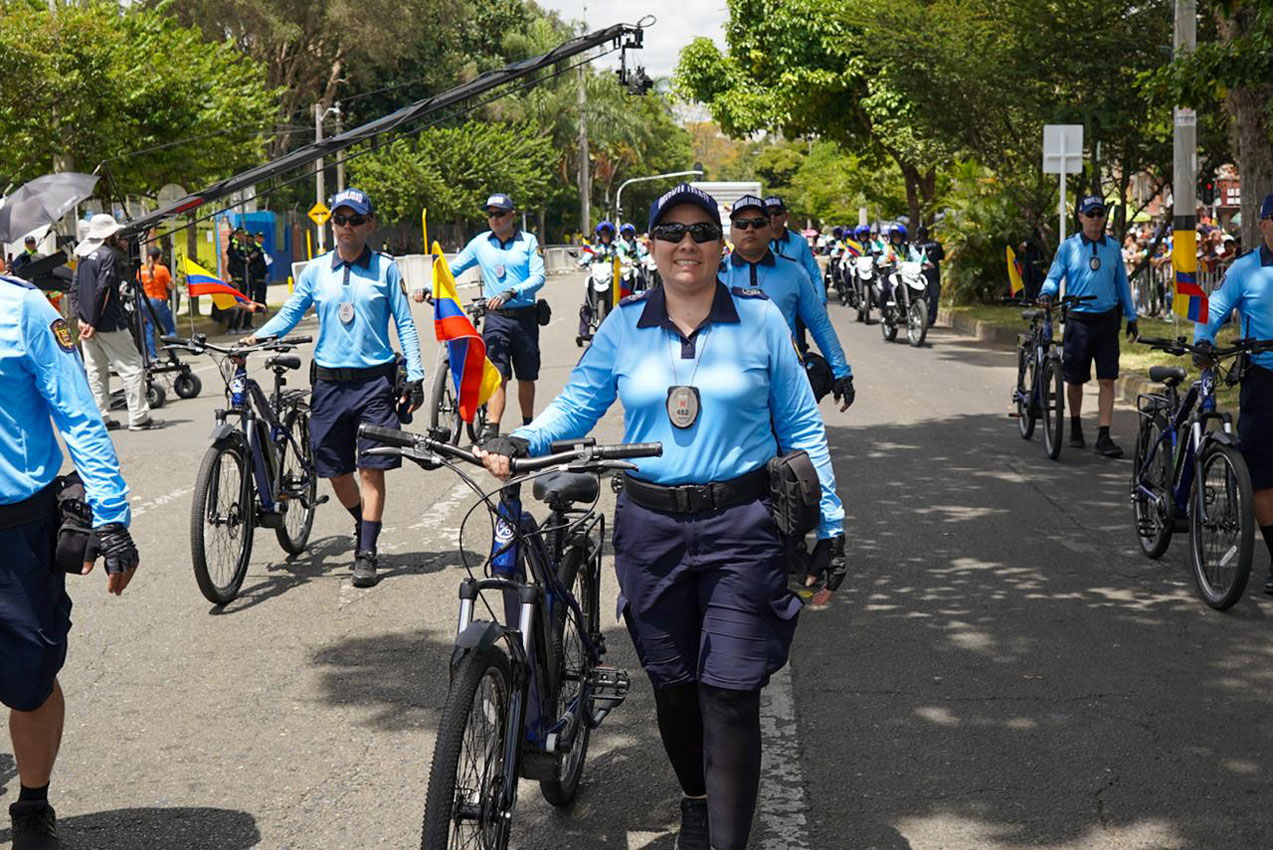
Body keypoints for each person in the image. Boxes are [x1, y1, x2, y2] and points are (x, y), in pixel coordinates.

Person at [478, 184, 846, 850]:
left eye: (702, 232)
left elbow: (801, 427)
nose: (687, 245)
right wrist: (522, 438)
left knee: (730, 692)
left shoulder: (760, 321)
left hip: (744, 526)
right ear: (650, 245)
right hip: (650, 530)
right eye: (671, 233)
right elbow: (574, 408)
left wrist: (831, 525)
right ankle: (696, 802)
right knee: (674, 688)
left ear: (719, 244)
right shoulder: (623, 324)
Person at [1, 272, 140, 850]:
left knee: (29, 680)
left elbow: (77, 412)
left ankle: (33, 803)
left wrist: (110, 515)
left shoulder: (27, 310)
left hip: (18, 530)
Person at [246, 188, 424, 588]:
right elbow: (291, 312)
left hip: (375, 384)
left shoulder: (386, 269)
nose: (346, 227)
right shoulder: (314, 271)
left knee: (370, 469)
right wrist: (256, 339)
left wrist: (415, 374)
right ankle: (365, 524)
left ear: (370, 225)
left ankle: (367, 551)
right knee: (334, 470)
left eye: (355, 220)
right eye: (340, 220)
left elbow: (406, 325)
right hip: (329, 384)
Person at [1195, 192, 1273, 594]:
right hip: (1262, 380)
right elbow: (1213, 308)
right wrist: (1203, 340)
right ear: (1263, 225)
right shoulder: (1245, 270)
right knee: (1262, 473)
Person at [718, 195, 854, 411]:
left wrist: (842, 373)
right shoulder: (714, 275)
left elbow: (820, 324)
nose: (749, 229)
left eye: (758, 223)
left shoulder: (794, 272)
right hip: (730, 384)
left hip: (787, 381)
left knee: (796, 444)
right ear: (732, 230)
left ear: (769, 228)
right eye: (742, 224)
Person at [1038, 195, 1137, 457]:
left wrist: (1132, 316)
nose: (1095, 220)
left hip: (1107, 321)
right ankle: (1076, 426)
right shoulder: (1069, 247)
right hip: (1078, 321)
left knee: (1107, 379)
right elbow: (1054, 275)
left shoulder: (1113, 247)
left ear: (1104, 217)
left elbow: (1121, 284)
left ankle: (1104, 434)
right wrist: (1046, 293)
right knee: (1075, 379)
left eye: (1099, 214)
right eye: (1090, 214)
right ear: (1081, 217)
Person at [446, 193, 546, 441]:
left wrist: (513, 291)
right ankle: (492, 428)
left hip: (524, 317)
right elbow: (452, 269)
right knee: (498, 373)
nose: (495, 219)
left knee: (526, 375)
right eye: (490, 214)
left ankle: (527, 424)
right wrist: (429, 286)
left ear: (512, 215)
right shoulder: (480, 243)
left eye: (500, 214)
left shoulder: (529, 242)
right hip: (495, 318)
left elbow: (538, 277)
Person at [70, 214, 164, 432]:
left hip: (86, 324)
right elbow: (103, 289)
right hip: (108, 322)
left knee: (95, 371)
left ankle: (101, 416)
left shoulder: (83, 255)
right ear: (109, 235)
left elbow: (74, 289)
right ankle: (139, 417)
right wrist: (93, 321)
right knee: (132, 367)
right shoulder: (107, 255)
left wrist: (81, 319)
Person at [765, 195, 826, 303]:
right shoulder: (757, 242)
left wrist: (821, 300)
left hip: (797, 303)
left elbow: (815, 274)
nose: (773, 217)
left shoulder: (799, 242)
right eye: (768, 213)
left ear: (786, 215)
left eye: (777, 213)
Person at [137, 246, 176, 360]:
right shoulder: (162, 269)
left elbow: (139, 285)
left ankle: (153, 357)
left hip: (144, 302)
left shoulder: (141, 269)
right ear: (158, 257)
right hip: (158, 301)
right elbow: (170, 286)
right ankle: (172, 354)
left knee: (149, 329)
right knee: (170, 329)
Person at [914, 225, 945, 327]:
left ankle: (921, 317)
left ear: (918, 235)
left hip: (920, 276)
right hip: (934, 275)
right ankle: (931, 319)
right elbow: (942, 257)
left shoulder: (915, 246)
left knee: (921, 297)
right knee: (934, 298)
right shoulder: (936, 245)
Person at [244, 232, 270, 330]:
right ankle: (258, 307)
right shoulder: (252, 247)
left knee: (262, 291)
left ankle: (261, 306)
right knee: (257, 292)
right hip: (255, 274)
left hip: (260, 273)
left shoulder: (259, 247)